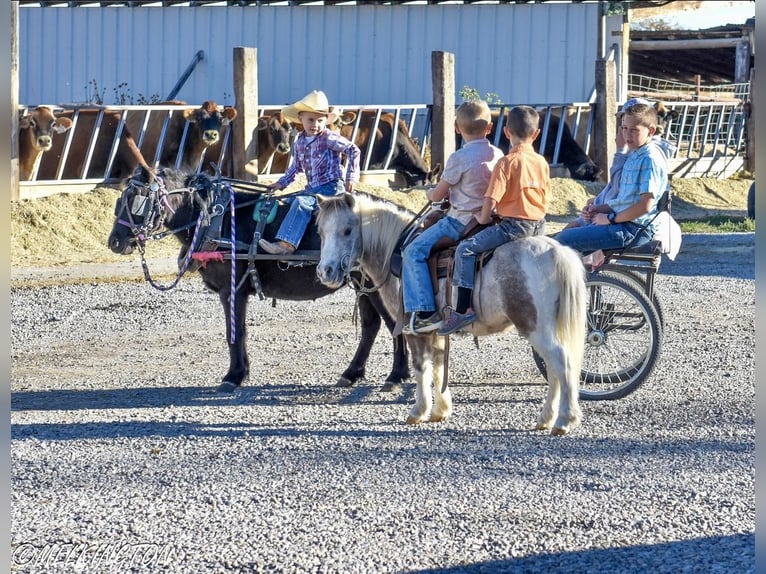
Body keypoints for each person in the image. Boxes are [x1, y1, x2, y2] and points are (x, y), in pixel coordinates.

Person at [438, 105, 550, 336]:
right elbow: (546, 196)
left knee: (466, 250)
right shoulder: (541, 162)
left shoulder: (507, 162)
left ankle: (462, 309)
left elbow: (491, 197)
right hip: (539, 225)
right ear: (536, 134)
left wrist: (484, 216)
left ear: (507, 132)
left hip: (513, 226)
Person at [400, 100, 504, 335]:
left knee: (413, 251)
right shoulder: (498, 154)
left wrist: (431, 192)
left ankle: (426, 312)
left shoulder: (459, 158)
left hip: (459, 222)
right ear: (490, 127)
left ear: (457, 128)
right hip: (489, 219)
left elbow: (438, 195)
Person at [554, 102, 669, 255]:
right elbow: (626, 200)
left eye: (634, 130)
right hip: (624, 224)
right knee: (569, 232)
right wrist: (598, 208)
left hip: (632, 230)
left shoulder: (649, 159)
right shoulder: (636, 154)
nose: (627, 135)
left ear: (651, 131)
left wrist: (611, 218)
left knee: (564, 240)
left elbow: (644, 206)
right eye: (624, 128)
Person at [258, 90, 360, 255]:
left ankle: (287, 245)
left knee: (301, 202)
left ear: (326, 121)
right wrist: (280, 183)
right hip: (313, 188)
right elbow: (295, 167)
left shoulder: (328, 138)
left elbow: (353, 149)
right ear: (300, 119)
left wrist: (351, 177)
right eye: (310, 120)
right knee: (286, 201)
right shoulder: (299, 141)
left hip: (331, 188)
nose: (315, 124)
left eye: (320, 120)